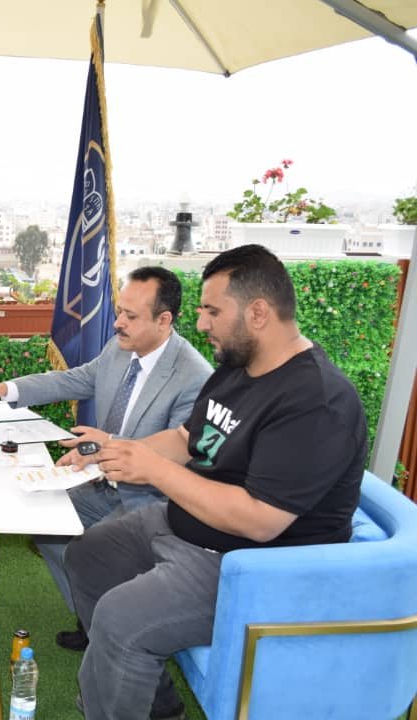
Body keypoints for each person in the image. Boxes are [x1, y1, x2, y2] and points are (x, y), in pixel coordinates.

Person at [62, 244, 366, 720]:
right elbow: (186, 439)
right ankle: (155, 705)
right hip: (189, 527)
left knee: (121, 620)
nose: (201, 323)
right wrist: (117, 451)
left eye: (212, 311)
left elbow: (259, 520)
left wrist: (154, 470)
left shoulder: (317, 402)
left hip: (250, 565)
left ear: (258, 312)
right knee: (88, 556)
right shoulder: (237, 369)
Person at [0, 266, 212, 650]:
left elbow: (177, 456)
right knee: (46, 526)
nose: (117, 323)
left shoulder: (195, 377)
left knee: (88, 549)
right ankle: (93, 620)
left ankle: (110, 636)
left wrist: (105, 443)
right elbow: (74, 379)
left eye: (130, 316)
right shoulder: (121, 347)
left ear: (164, 321)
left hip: (149, 499)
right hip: (100, 482)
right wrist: (3, 389)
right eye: (119, 311)